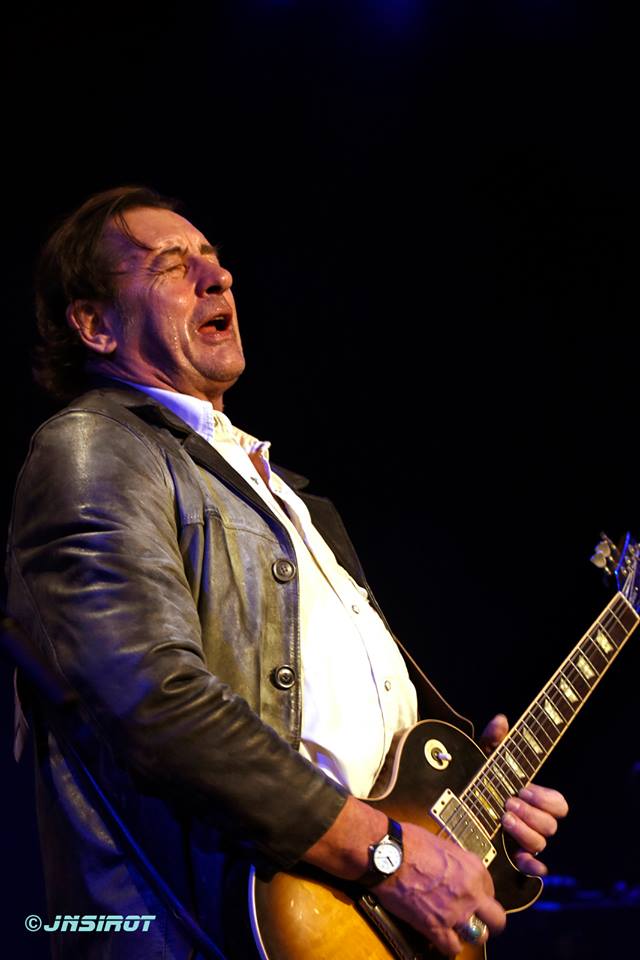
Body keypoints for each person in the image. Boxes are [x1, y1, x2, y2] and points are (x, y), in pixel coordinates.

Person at [6, 186, 568, 960]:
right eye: (171, 265)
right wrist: (388, 855)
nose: (218, 277)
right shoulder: (94, 445)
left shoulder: (291, 499)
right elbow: (156, 702)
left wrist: (459, 811)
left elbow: (350, 747)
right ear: (95, 325)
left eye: (213, 259)